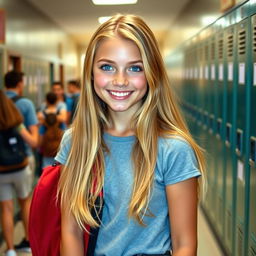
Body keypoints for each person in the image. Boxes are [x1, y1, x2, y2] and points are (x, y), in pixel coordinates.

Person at [55, 14, 205, 256]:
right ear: (91, 73)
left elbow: (184, 244)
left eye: (135, 68)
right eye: (107, 66)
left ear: (152, 74)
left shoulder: (172, 149)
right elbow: (70, 230)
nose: (120, 80)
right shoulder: (75, 142)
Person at [0, 90, 37, 256]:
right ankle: (28, 240)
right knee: (25, 202)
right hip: (19, 168)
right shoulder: (16, 123)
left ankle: (10, 249)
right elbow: (33, 142)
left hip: (1, 171)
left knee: (6, 209)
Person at [38, 92, 64, 168]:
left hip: (47, 154)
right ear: (56, 101)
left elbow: (40, 142)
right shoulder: (60, 116)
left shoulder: (41, 115)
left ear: (46, 101)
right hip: (59, 155)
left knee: (47, 172)